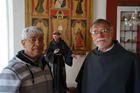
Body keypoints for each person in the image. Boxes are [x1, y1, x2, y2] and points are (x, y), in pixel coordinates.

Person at [75, 19, 140, 93]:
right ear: (92, 36)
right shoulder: (90, 56)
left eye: (104, 30)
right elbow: (82, 84)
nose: (99, 35)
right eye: (95, 32)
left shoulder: (130, 59)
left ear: (112, 33)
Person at [0, 26, 53, 93]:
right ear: (23, 43)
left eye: (41, 39)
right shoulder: (11, 71)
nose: (38, 43)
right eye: (33, 39)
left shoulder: (45, 63)